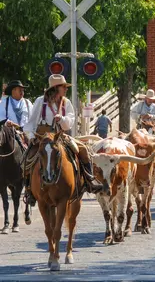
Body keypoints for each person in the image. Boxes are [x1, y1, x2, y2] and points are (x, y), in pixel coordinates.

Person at [23, 74, 103, 206]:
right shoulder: (40, 101)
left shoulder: (66, 102)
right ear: (55, 88)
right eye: (63, 87)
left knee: (82, 149)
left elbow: (69, 123)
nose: (66, 89)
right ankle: (29, 189)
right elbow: (30, 123)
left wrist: (62, 119)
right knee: (27, 158)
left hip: (60, 137)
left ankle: (89, 180)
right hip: (42, 138)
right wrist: (31, 137)